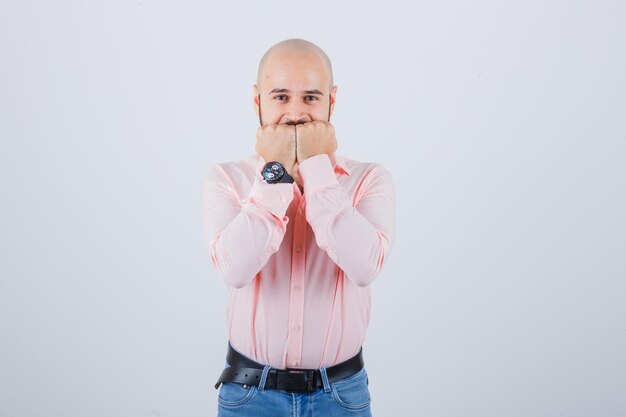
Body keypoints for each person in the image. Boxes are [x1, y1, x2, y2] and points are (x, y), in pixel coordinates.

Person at [202, 38, 396, 417]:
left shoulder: (369, 179)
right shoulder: (226, 179)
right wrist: (275, 175)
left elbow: (365, 266)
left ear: (331, 101)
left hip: (341, 395)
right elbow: (235, 270)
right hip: (249, 396)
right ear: (257, 101)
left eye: (310, 98)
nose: (295, 113)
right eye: (280, 97)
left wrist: (316, 168)